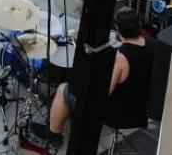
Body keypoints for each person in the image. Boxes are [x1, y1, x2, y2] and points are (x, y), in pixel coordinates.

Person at [48, 8, 154, 150]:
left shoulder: (120, 58)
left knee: (63, 90)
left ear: (117, 30)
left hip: (121, 114)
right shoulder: (155, 45)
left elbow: (102, 92)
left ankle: (54, 137)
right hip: (145, 106)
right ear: (139, 25)